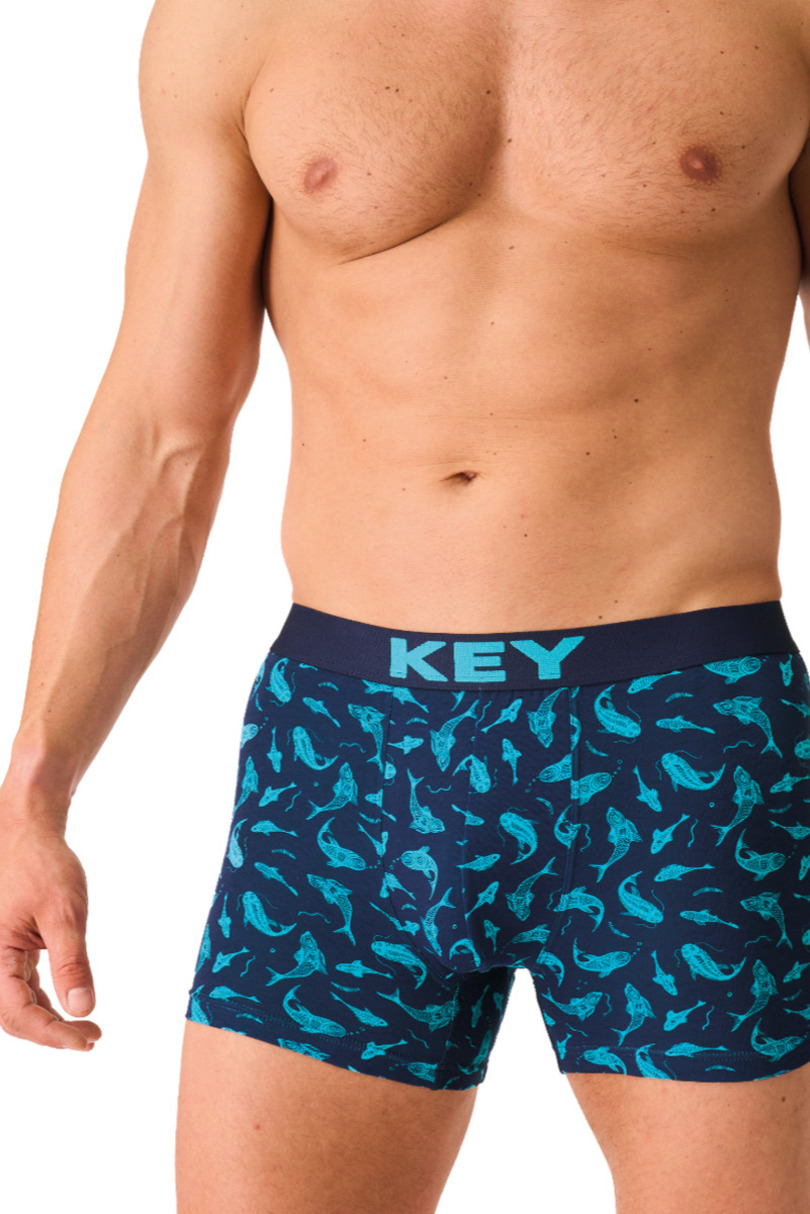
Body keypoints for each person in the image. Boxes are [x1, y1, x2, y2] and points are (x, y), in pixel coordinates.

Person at [2, 0, 810, 1209]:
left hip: (687, 734)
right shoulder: (235, 23)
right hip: (349, 748)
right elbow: (163, 431)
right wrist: (33, 790)